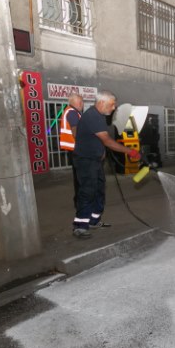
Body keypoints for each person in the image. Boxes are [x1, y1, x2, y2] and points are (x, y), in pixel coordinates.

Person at [72, 90, 140, 239]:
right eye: (112, 104)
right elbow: (107, 140)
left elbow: (98, 139)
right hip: (86, 160)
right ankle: (80, 226)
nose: (114, 107)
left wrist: (101, 152)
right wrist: (130, 151)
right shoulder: (93, 116)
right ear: (102, 102)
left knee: (99, 190)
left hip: (95, 160)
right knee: (87, 191)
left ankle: (94, 220)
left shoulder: (99, 116)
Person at [59, 92, 84, 209]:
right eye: (81, 102)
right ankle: (80, 203)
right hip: (77, 150)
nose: (82, 104)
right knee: (80, 178)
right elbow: (76, 132)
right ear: (77, 102)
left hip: (73, 150)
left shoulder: (69, 111)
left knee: (78, 177)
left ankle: (79, 202)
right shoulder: (73, 112)